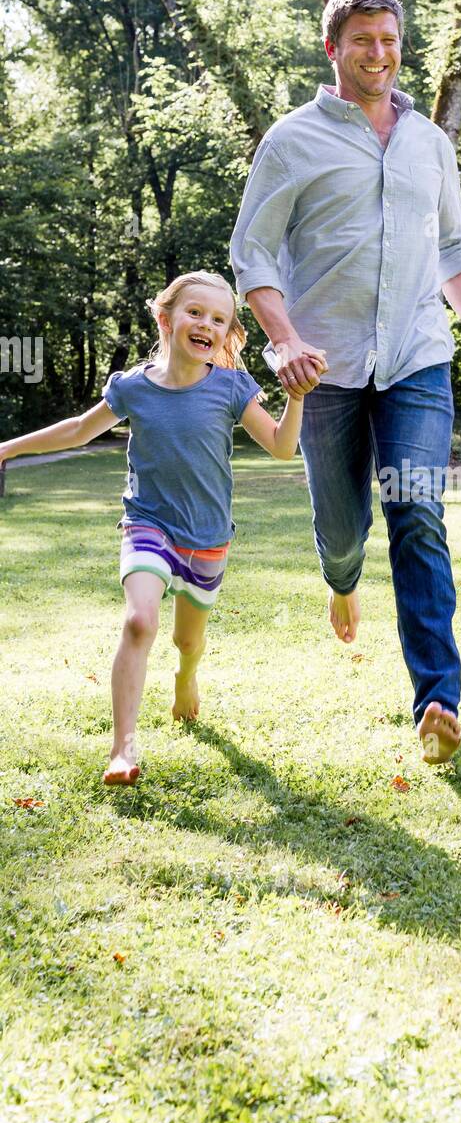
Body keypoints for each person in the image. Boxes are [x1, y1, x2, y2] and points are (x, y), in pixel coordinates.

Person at [230, 0, 461, 764]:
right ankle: (342, 577)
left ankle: (438, 700)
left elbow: (455, 251)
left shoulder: (430, 144)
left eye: (389, 38)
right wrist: (281, 338)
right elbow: (252, 254)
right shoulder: (292, 140)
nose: (378, 53)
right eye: (362, 40)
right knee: (345, 530)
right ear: (334, 49)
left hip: (418, 356)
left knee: (417, 510)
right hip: (324, 370)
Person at [0, 271, 306, 784]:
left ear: (227, 334)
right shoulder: (133, 388)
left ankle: (186, 678)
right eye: (195, 312)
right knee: (140, 621)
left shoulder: (231, 388)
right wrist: (7, 448)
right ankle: (123, 749)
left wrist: (296, 396)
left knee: (188, 643)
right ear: (165, 318)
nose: (205, 323)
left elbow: (281, 446)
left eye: (218, 318)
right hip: (148, 523)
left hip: (207, 536)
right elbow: (78, 429)